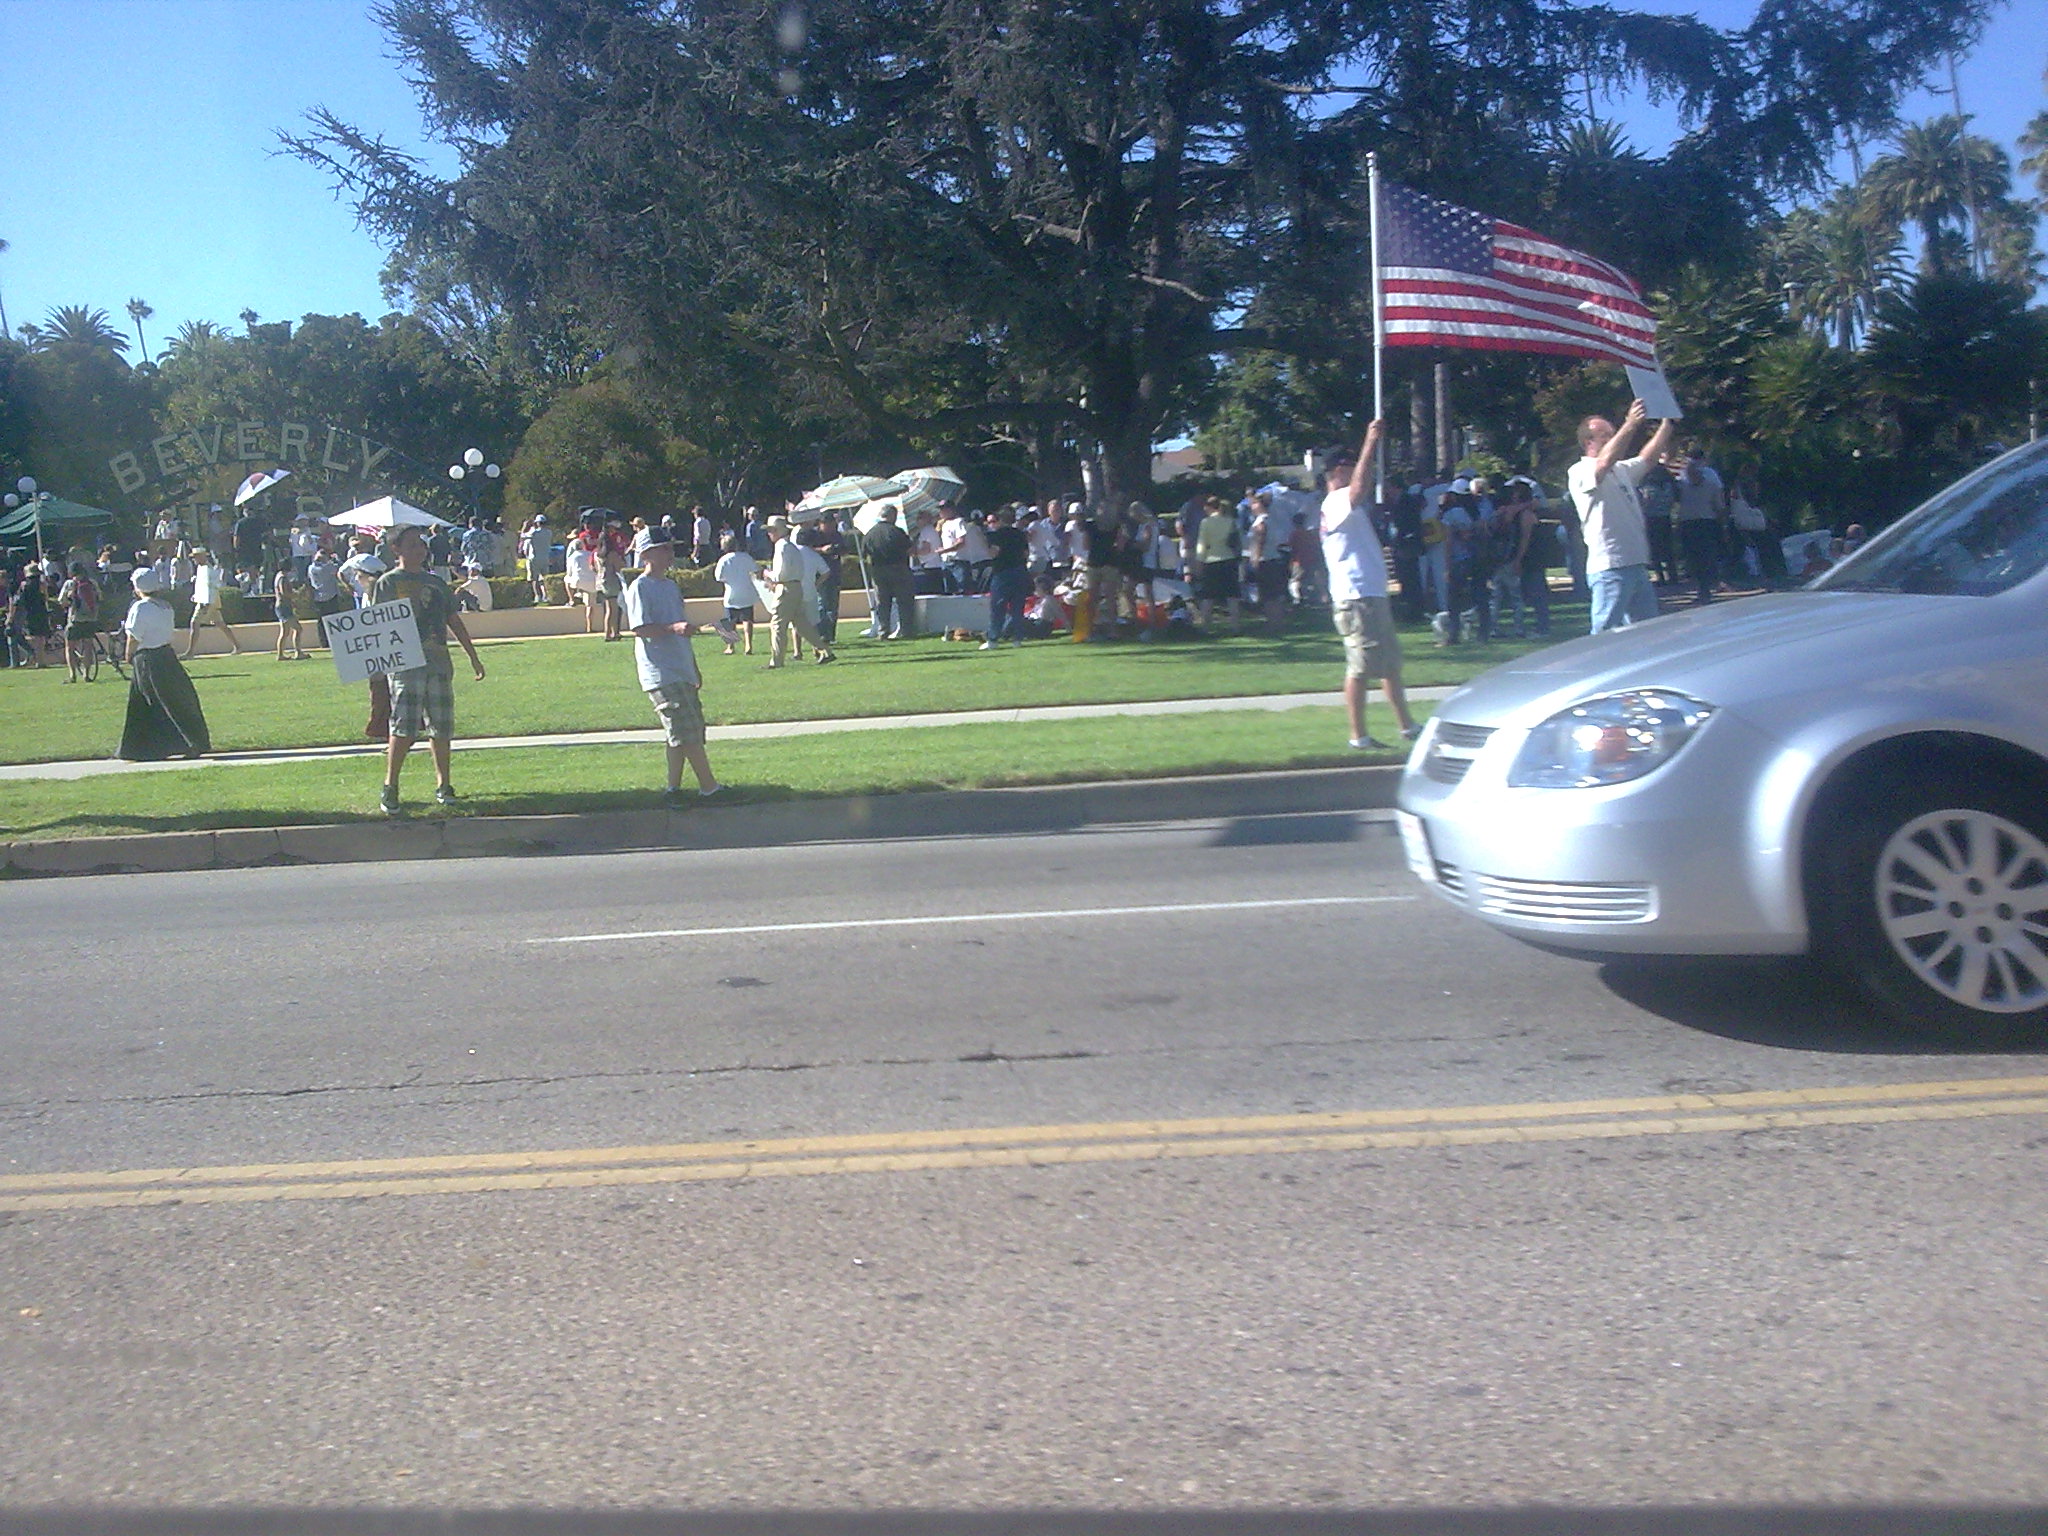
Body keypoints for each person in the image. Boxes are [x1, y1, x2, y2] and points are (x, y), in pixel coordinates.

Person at [372, 524, 486, 814]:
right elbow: (378, 626)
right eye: (411, 544)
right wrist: (378, 667)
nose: (419, 549)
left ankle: (444, 785)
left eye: (421, 544)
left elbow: (453, 620)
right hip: (405, 665)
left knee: (441, 726)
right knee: (403, 727)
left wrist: (472, 656)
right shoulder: (387, 583)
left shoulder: (436, 583)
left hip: (438, 663)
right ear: (396, 549)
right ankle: (390, 786)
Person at [1322, 421, 1419, 750]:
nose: (1358, 470)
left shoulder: (1348, 507)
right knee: (1360, 667)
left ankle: (1406, 726)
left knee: (1389, 665)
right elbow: (1359, 488)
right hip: (1356, 595)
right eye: (1351, 465)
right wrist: (1370, 442)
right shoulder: (1335, 501)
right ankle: (1358, 736)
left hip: (1369, 593)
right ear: (1339, 469)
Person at [621, 527, 724, 807]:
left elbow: (680, 628)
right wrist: (673, 628)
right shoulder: (640, 587)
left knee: (681, 732)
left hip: (681, 668)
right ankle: (709, 788)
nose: (670, 553)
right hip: (660, 672)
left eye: (670, 548)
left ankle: (673, 789)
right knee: (686, 732)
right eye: (663, 548)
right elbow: (640, 628)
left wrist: (693, 667)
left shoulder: (670, 586)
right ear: (646, 554)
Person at [1569, 399, 1675, 634]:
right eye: (1605, 436)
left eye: (1613, 433)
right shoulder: (1580, 471)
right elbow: (1603, 463)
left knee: (1647, 633)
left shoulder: (1621, 470)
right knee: (1603, 634)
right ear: (1588, 442)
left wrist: (1667, 424)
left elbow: (1648, 459)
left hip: (1636, 563)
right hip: (1610, 567)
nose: (1613, 438)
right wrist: (1631, 423)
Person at [118, 568, 210, 760]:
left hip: (148, 658)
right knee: (174, 700)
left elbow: (134, 636)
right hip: (166, 655)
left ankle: (151, 747)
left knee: (149, 703)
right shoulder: (166, 606)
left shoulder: (140, 607)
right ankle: (190, 742)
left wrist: (128, 655)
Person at [760, 516, 835, 667]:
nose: (769, 534)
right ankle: (826, 651)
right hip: (796, 588)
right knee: (802, 625)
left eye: (771, 530)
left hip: (785, 588)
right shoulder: (791, 546)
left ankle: (776, 661)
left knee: (777, 625)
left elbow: (780, 575)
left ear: (777, 531)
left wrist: (766, 574)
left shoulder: (781, 547)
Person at [1672, 449, 1727, 606]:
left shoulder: (1681, 476)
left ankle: (1702, 589)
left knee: (1693, 557)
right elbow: (1718, 500)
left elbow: (1676, 498)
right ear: (1703, 458)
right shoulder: (1711, 475)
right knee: (1708, 555)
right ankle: (1712, 584)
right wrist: (1723, 520)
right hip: (1708, 520)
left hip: (1687, 520)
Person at [858, 504, 917, 640]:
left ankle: (883, 630)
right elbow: (909, 550)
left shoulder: (870, 533)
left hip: (878, 571)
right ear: (892, 516)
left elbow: (864, 553)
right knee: (904, 601)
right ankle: (906, 630)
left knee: (882, 603)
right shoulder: (896, 531)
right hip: (898, 569)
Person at [982, 505, 1030, 648]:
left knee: (998, 607)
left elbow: (994, 553)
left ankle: (993, 639)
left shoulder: (998, 535)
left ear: (1000, 519)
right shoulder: (1020, 534)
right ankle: (1017, 638)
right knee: (1018, 607)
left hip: (1002, 572)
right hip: (1019, 571)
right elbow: (1026, 553)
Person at [183, 548, 244, 658]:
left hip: (207, 601)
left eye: (196, 556)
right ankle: (237, 646)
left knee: (194, 623)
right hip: (208, 600)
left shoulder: (208, 570)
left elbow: (210, 588)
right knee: (220, 624)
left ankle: (190, 652)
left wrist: (206, 603)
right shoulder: (202, 568)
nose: (194, 559)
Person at [1194, 495, 1242, 630]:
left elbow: (1202, 544)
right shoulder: (1230, 521)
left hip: (1211, 560)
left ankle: (1205, 627)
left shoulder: (1206, 522)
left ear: (1208, 507)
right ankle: (1235, 626)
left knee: (1208, 596)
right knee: (1232, 596)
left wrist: (1199, 561)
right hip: (1229, 559)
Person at [713, 531, 762, 655]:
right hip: (747, 593)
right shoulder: (746, 557)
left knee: (730, 621)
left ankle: (730, 646)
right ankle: (748, 645)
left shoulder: (723, 560)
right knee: (747, 620)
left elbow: (718, 577)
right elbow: (756, 570)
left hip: (731, 593)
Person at [57, 563, 103, 681]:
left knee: (70, 647)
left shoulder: (70, 584)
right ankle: (86, 674)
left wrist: (69, 600)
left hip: (75, 620)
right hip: (91, 619)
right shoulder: (92, 583)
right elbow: (100, 598)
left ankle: (72, 675)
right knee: (88, 647)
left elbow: (62, 602)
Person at [272, 565, 311, 661]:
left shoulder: (278, 576)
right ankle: (298, 652)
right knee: (298, 629)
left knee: (285, 632)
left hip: (281, 606)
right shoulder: (283, 578)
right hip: (284, 607)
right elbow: (284, 593)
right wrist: (297, 594)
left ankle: (280, 655)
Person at [522, 515, 552, 603]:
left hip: (534, 558)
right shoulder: (549, 532)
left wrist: (524, 526)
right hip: (545, 557)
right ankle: (545, 595)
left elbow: (523, 536)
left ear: (537, 523)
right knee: (544, 578)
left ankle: (537, 596)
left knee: (534, 579)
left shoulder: (534, 532)